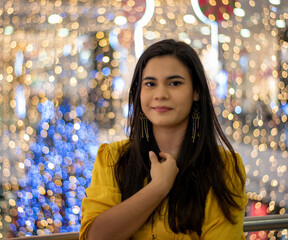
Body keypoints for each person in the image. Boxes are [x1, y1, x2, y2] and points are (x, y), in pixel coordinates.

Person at [79, 39, 247, 240]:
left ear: (196, 92)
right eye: (150, 84)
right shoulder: (113, 158)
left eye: (175, 83)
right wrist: (158, 187)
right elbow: (95, 237)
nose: (160, 94)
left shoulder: (224, 167)